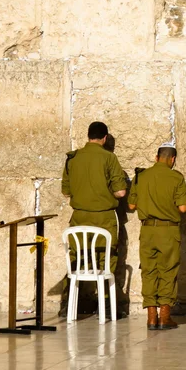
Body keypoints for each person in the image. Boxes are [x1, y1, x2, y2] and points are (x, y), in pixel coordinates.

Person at [61, 122, 127, 317]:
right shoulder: (109, 157)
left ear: (88, 136)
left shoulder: (73, 159)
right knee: (106, 259)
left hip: (79, 217)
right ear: (105, 138)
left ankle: (69, 303)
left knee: (76, 257)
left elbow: (66, 191)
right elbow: (121, 192)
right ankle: (106, 306)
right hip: (104, 217)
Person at [128, 143, 186, 330]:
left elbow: (131, 206)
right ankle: (164, 316)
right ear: (172, 160)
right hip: (168, 231)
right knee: (168, 271)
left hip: (147, 231)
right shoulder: (176, 177)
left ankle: (151, 317)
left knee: (148, 271)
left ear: (156, 157)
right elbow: (183, 208)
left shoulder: (141, 176)